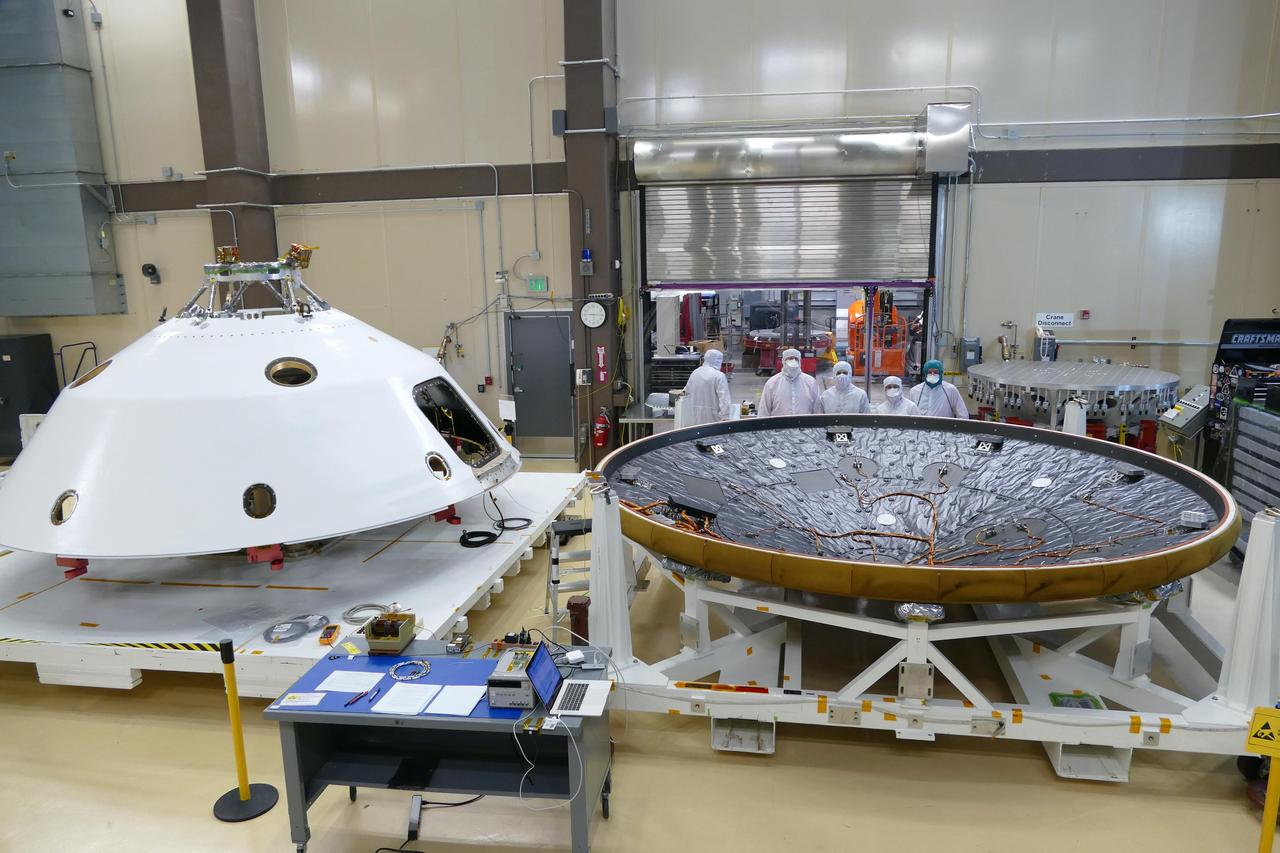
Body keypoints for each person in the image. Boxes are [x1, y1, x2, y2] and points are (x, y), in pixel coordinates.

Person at [758, 348, 819, 417]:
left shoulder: (810, 383)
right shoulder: (772, 383)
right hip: (779, 426)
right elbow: (764, 410)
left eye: (796, 359)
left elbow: (817, 411)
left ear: (800, 361)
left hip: (804, 426)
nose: (793, 361)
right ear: (783, 361)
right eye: (790, 358)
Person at [679, 348, 732, 426]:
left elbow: (685, 392)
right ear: (718, 361)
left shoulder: (695, 373)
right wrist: (726, 417)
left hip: (695, 418)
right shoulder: (719, 376)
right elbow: (724, 399)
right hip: (713, 419)